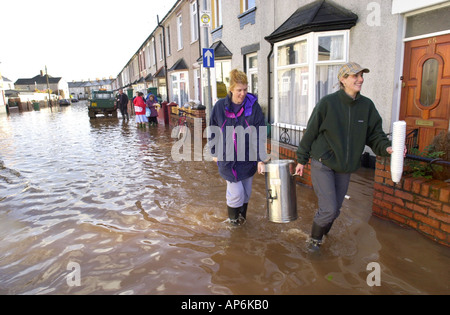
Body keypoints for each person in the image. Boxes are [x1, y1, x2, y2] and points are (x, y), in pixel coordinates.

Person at [295, 61, 405, 252]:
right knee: (329, 209)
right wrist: (301, 160)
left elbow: (375, 135)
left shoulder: (367, 106)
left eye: (362, 75)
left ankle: (322, 232)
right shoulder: (327, 103)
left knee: (335, 211)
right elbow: (311, 132)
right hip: (323, 162)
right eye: (355, 76)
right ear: (343, 80)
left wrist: (388, 148)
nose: (360, 79)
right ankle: (314, 242)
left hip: (345, 167)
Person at [209, 69, 267, 226]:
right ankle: (233, 224)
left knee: (246, 194)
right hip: (227, 159)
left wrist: (260, 159)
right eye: (239, 90)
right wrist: (214, 152)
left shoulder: (253, 108)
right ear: (231, 89)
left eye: (245, 89)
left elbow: (260, 134)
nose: (243, 93)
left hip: (248, 157)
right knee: (236, 193)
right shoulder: (220, 107)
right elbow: (213, 129)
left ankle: (242, 221)